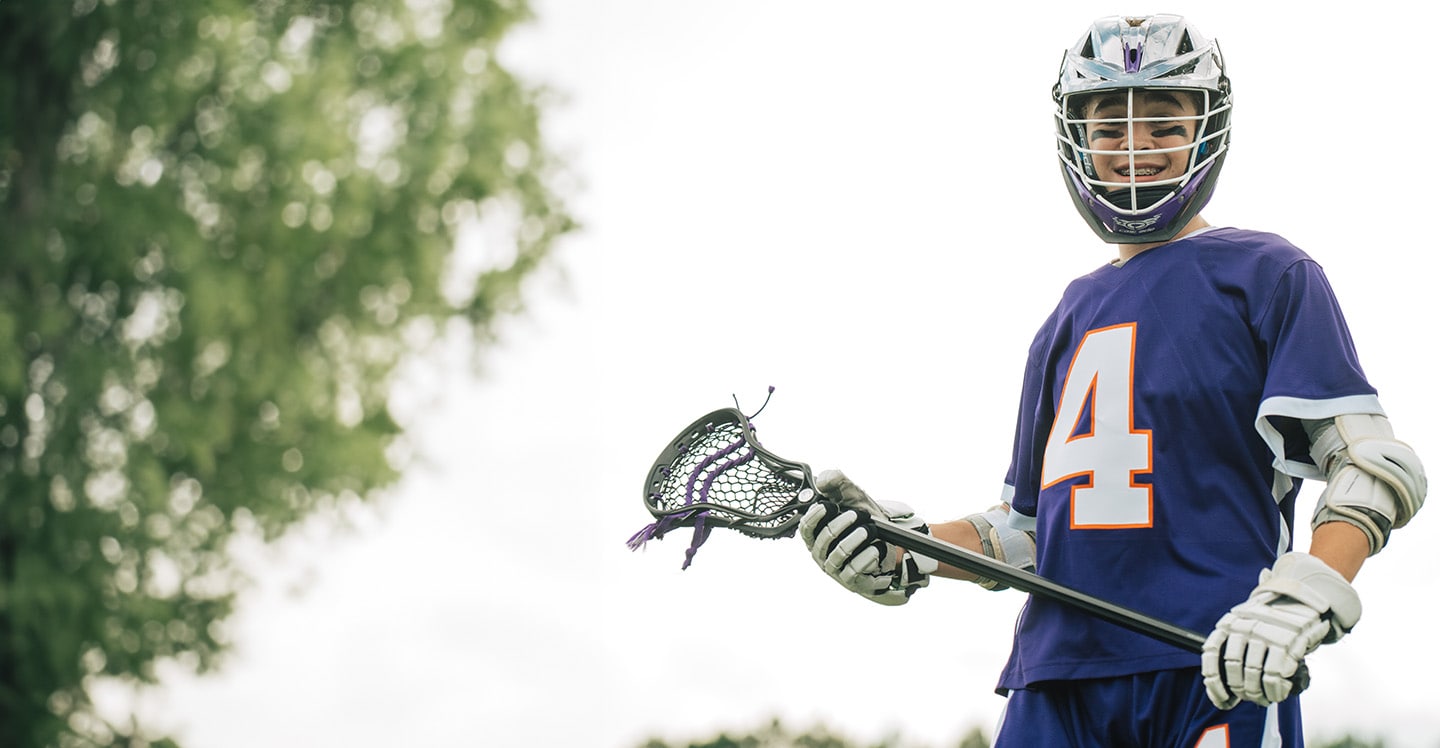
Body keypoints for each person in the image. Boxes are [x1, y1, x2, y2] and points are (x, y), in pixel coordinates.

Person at [798, 14, 1426, 747]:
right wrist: (910, 547)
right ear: (1079, 141)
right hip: (1053, 679)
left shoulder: (1269, 274)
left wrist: (1304, 597)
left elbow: (1368, 466)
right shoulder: (1065, 317)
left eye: (1162, 124)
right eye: (1110, 128)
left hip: (1218, 662)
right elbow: (1027, 530)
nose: (1136, 147)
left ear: (1205, 130)